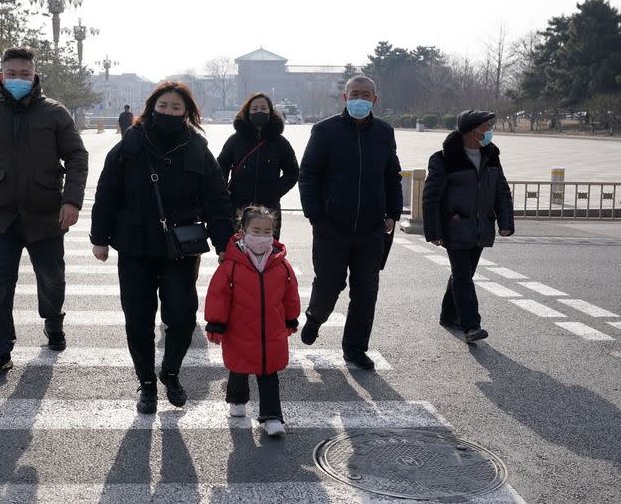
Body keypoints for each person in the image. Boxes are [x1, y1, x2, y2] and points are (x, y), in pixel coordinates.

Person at [90, 81, 233, 414]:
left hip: (180, 248)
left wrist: (225, 242)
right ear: (151, 107)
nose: (169, 112)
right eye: (163, 106)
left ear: (187, 113)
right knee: (138, 319)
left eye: (176, 108)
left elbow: (217, 199)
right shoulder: (130, 144)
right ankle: (147, 383)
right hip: (135, 245)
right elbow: (107, 192)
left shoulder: (197, 148)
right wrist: (100, 238)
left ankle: (170, 372)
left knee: (182, 318)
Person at [0, 46, 89, 378]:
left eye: (25, 74)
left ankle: (53, 321)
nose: (19, 79)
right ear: (2, 76)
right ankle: (0, 349)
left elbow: (77, 157)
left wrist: (71, 201)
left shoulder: (55, 113)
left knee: (51, 277)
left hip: (46, 214)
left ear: (35, 77)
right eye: (12, 74)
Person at [297, 75, 403, 369]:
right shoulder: (325, 131)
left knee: (366, 289)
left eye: (366, 94)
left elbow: (392, 175)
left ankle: (355, 348)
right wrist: (315, 215)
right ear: (344, 97)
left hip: (371, 228)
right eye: (355, 93)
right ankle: (316, 317)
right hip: (332, 226)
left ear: (374, 100)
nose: (360, 98)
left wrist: (393, 213)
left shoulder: (384, 132)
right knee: (330, 283)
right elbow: (307, 175)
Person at [204, 205, 301, 437]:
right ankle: (237, 400)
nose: (262, 236)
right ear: (243, 231)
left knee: (269, 372)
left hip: (272, 331)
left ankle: (272, 416)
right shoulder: (232, 264)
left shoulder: (281, 264)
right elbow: (218, 295)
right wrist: (216, 323)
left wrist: (291, 318)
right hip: (239, 329)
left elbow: (290, 293)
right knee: (239, 367)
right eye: (256, 230)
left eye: (267, 231)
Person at [422, 109, 514, 343]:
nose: (490, 131)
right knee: (463, 276)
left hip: (482, 226)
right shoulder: (444, 158)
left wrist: (506, 223)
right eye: (486, 127)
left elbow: (501, 190)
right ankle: (471, 326)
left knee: (464, 273)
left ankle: (448, 314)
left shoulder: (491, 155)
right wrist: (434, 230)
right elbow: (431, 196)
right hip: (455, 227)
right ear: (472, 131)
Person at [217, 92, 299, 240]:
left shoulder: (280, 142)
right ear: (247, 112)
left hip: (268, 210)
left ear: (270, 112)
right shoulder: (235, 140)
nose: (259, 111)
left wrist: (276, 190)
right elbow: (221, 164)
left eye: (263, 108)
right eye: (254, 109)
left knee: (267, 251)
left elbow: (292, 172)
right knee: (238, 252)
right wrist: (224, 189)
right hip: (238, 206)